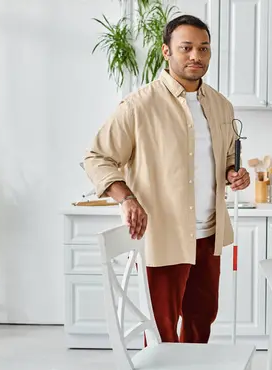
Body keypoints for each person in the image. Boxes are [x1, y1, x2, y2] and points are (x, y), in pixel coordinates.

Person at [83, 14, 250, 345]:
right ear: (166, 51)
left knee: (202, 319)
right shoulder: (138, 106)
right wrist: (127, 198)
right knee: (161, 328)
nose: (196, 56)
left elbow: (227, 157)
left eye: (203, 48)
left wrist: (234, 173)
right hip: (165, 234)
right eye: (186, 48)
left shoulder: (221, 106)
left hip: (209, 235)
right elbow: (97, 157)